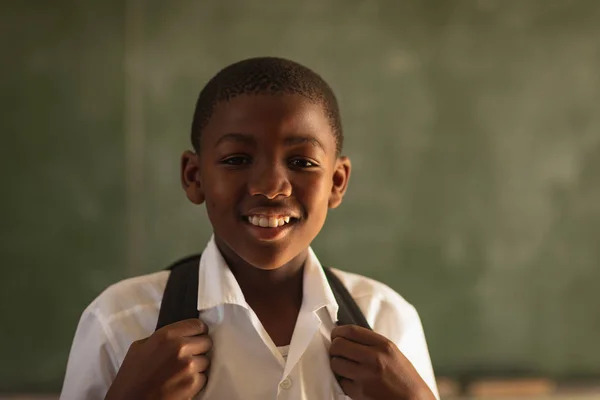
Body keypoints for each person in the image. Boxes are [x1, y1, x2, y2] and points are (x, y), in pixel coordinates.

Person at [60, 57, 439, 400]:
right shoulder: (119, 323)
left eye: (302, 162)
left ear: (337, 182)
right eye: (237, 159)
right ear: (194, 176)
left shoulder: (387, 319)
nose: (271, 186)